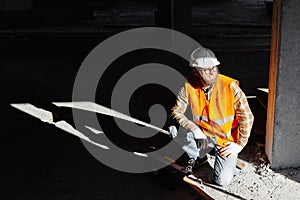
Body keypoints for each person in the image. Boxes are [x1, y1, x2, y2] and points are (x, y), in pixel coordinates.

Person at [170, 46, 254, 187]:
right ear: (196, 72)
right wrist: (195, 130)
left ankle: (213, 153)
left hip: (225, 140)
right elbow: (176, 112)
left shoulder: (230, 86)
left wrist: (239, 145)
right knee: (176, 131)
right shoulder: (188, 86)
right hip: (202, 134)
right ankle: (196, 155)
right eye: (205, 70)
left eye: (214, 68)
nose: (211, 73)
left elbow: (247, 116)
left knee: (223, 181)